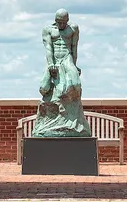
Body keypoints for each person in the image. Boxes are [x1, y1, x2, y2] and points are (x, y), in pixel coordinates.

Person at [32, 8, 90, 137]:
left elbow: (74, 48)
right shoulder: (48, 30)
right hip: (54, 60)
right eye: (59, 22)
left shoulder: (73, 29)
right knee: (44, 88)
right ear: (55, 20)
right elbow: (48, 48)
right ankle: (52, 116)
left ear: (67, 20)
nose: (62, 25)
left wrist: (74, 65)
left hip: (67, 58)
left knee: (76, 84)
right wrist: (51, 64)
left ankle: (72, 120)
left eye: (64, 22)